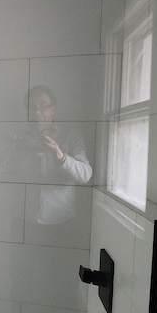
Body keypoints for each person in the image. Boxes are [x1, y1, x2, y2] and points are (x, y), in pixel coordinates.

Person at [25, 85, 92, 226]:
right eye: (31, 107)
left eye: (43, 107)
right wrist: (1, 157)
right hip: (22, 216)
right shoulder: (18, 136)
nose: (37, 112)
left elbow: (85, 174)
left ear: (53, 109)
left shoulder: (71, 135)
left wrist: (61, 158)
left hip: (59, 219)